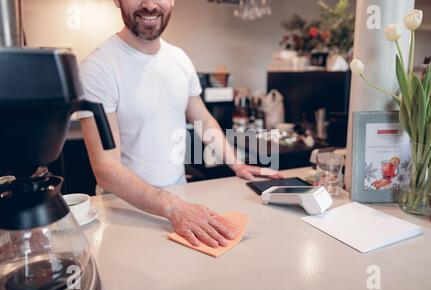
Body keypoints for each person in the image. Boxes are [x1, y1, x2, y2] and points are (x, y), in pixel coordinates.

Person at [78, 0, 282, 248]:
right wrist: (173, 207)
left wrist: (236, 164)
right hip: (125, 212)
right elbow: (106, 168)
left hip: (181, 205)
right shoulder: (97, 68)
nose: (150, 4)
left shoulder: (179, 58)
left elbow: (203, 119)